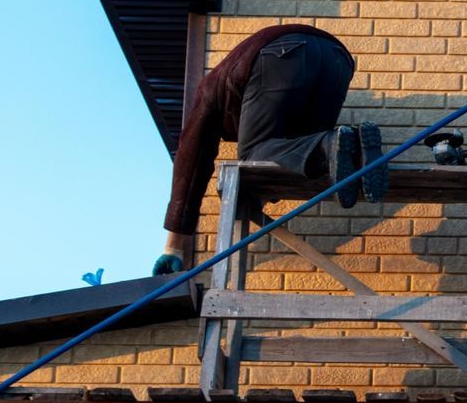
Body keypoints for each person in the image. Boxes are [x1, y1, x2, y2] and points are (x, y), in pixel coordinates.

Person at [153, 25, 386, 275]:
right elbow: (285, 157)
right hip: (338, 60)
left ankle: (331, 145)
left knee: (254, 157)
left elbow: (191, 162)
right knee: (317, 150)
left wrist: (174, 247)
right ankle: (359, 151)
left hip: (282, 54)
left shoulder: (207, 95)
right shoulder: (274, 121)